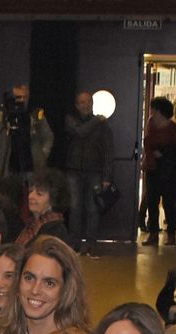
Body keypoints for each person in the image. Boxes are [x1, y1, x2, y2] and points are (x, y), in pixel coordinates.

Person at [63, 91, 114, 255]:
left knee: (93, 209)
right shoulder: (70, 120)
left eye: (89, 101)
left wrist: (107, 176)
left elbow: (108, 150)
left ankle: (91, 245)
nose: (86, 105)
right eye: (82, 102)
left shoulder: (103, 125)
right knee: (74, 208)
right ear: (77, 105)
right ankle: (74, 245)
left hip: (95, 171)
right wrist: (97, 120)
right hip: (73, 170)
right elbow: (81, 132)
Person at [0, 84, 53, 180]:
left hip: (31, 165)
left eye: (25, 97)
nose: (22, 100)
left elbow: (48, 136)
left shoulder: (35, 114)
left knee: (31, 187)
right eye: (18, 97)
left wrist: (43, 153)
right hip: (10, 164)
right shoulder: (5, 115)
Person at [140, 97, 176, 246]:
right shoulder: (151, 126)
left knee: (169, 203)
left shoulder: (173, 129)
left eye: (153, 109)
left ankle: (171, 234)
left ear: (160, 111)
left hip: (169, 171)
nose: (152, 112)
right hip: (153, 169)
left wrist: (163, 154)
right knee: (152, 201)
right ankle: (153, 233)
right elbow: (148, 145)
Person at [17, 170, 70, 248]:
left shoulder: (55, 231)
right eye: (31, 191)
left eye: (39, 194)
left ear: (52, 201)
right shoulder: (31, 224)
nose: (31, 196)